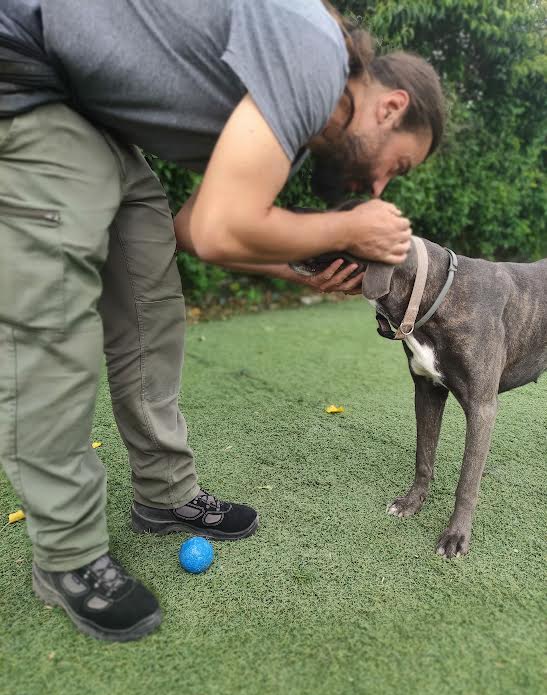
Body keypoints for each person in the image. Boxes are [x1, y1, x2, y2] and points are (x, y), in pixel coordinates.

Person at [0, 0, 446, 642]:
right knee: (54, 331)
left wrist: (303, 272)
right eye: (396, 165)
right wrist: (349, 228)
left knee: (151, 301)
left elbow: (192, 228)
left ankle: (164, 494)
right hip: (28, 76)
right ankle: (67, 556)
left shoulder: (295, 126)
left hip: (99, 121)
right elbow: (217, 228)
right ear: (391, 107)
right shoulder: (315, 52)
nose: (378, 188)